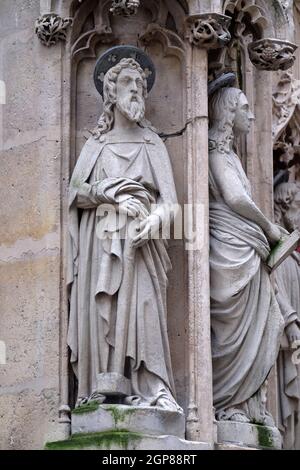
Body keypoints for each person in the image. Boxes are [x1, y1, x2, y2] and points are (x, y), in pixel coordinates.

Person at [67, 49, 181, 413]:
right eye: (129, 83)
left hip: (143, 246)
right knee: (105, 312)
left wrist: (153, 221)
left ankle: (153, 388)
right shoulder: (95, 146)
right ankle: (101, 384)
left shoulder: (153, 144)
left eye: (142, 85)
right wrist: (112, 196)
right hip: (101, 244)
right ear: (110, 92)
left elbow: (172, 203)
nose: (137, 91)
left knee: (145, 309)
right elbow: (75, 192)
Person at [208, 85, 285, 425]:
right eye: (243, 107)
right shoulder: (215, 152)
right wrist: (269, 227)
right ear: (227, 113)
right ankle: (226, 401)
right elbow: (236, 199)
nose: (251, 115)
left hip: (245, 247)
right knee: (231, 327)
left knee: (268, 318)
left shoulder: (232, 155)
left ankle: (250, 401)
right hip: (229, 249)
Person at [274, 181, 300, 448]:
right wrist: (291, 320)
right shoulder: (278, 247)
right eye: (298, 205)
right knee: (285, 395)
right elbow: (272, 286)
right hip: (286, 338)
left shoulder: (293, 252)